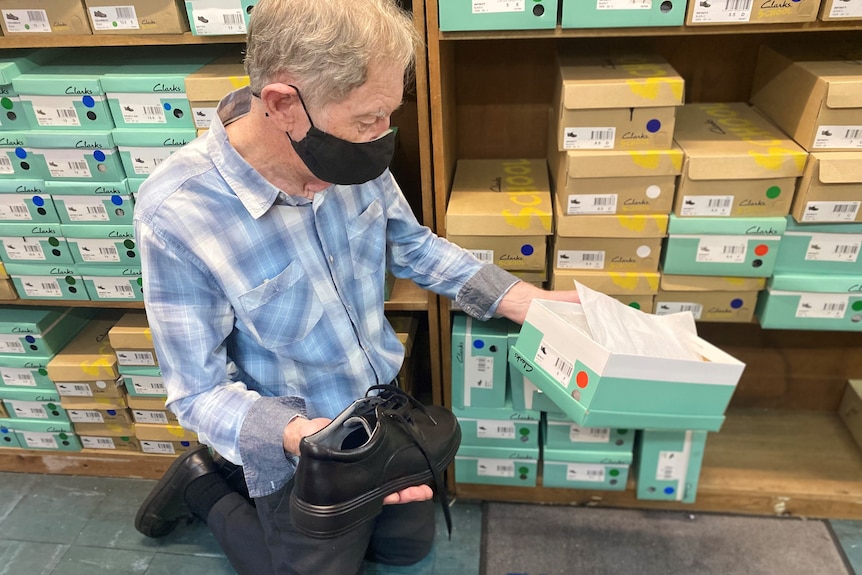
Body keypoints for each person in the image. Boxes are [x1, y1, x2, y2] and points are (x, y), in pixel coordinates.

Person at [132, 0, 580, 573]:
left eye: (387, 116)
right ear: (283, 104)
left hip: (381, 410)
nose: (380, 139)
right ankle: (203, 484)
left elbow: (411, 243)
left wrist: (525, 300)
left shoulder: (345, 152)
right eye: (367, 120)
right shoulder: (178, 214)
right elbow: (195, 392)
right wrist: (304, 438)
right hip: (300, 447)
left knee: (405, 549)